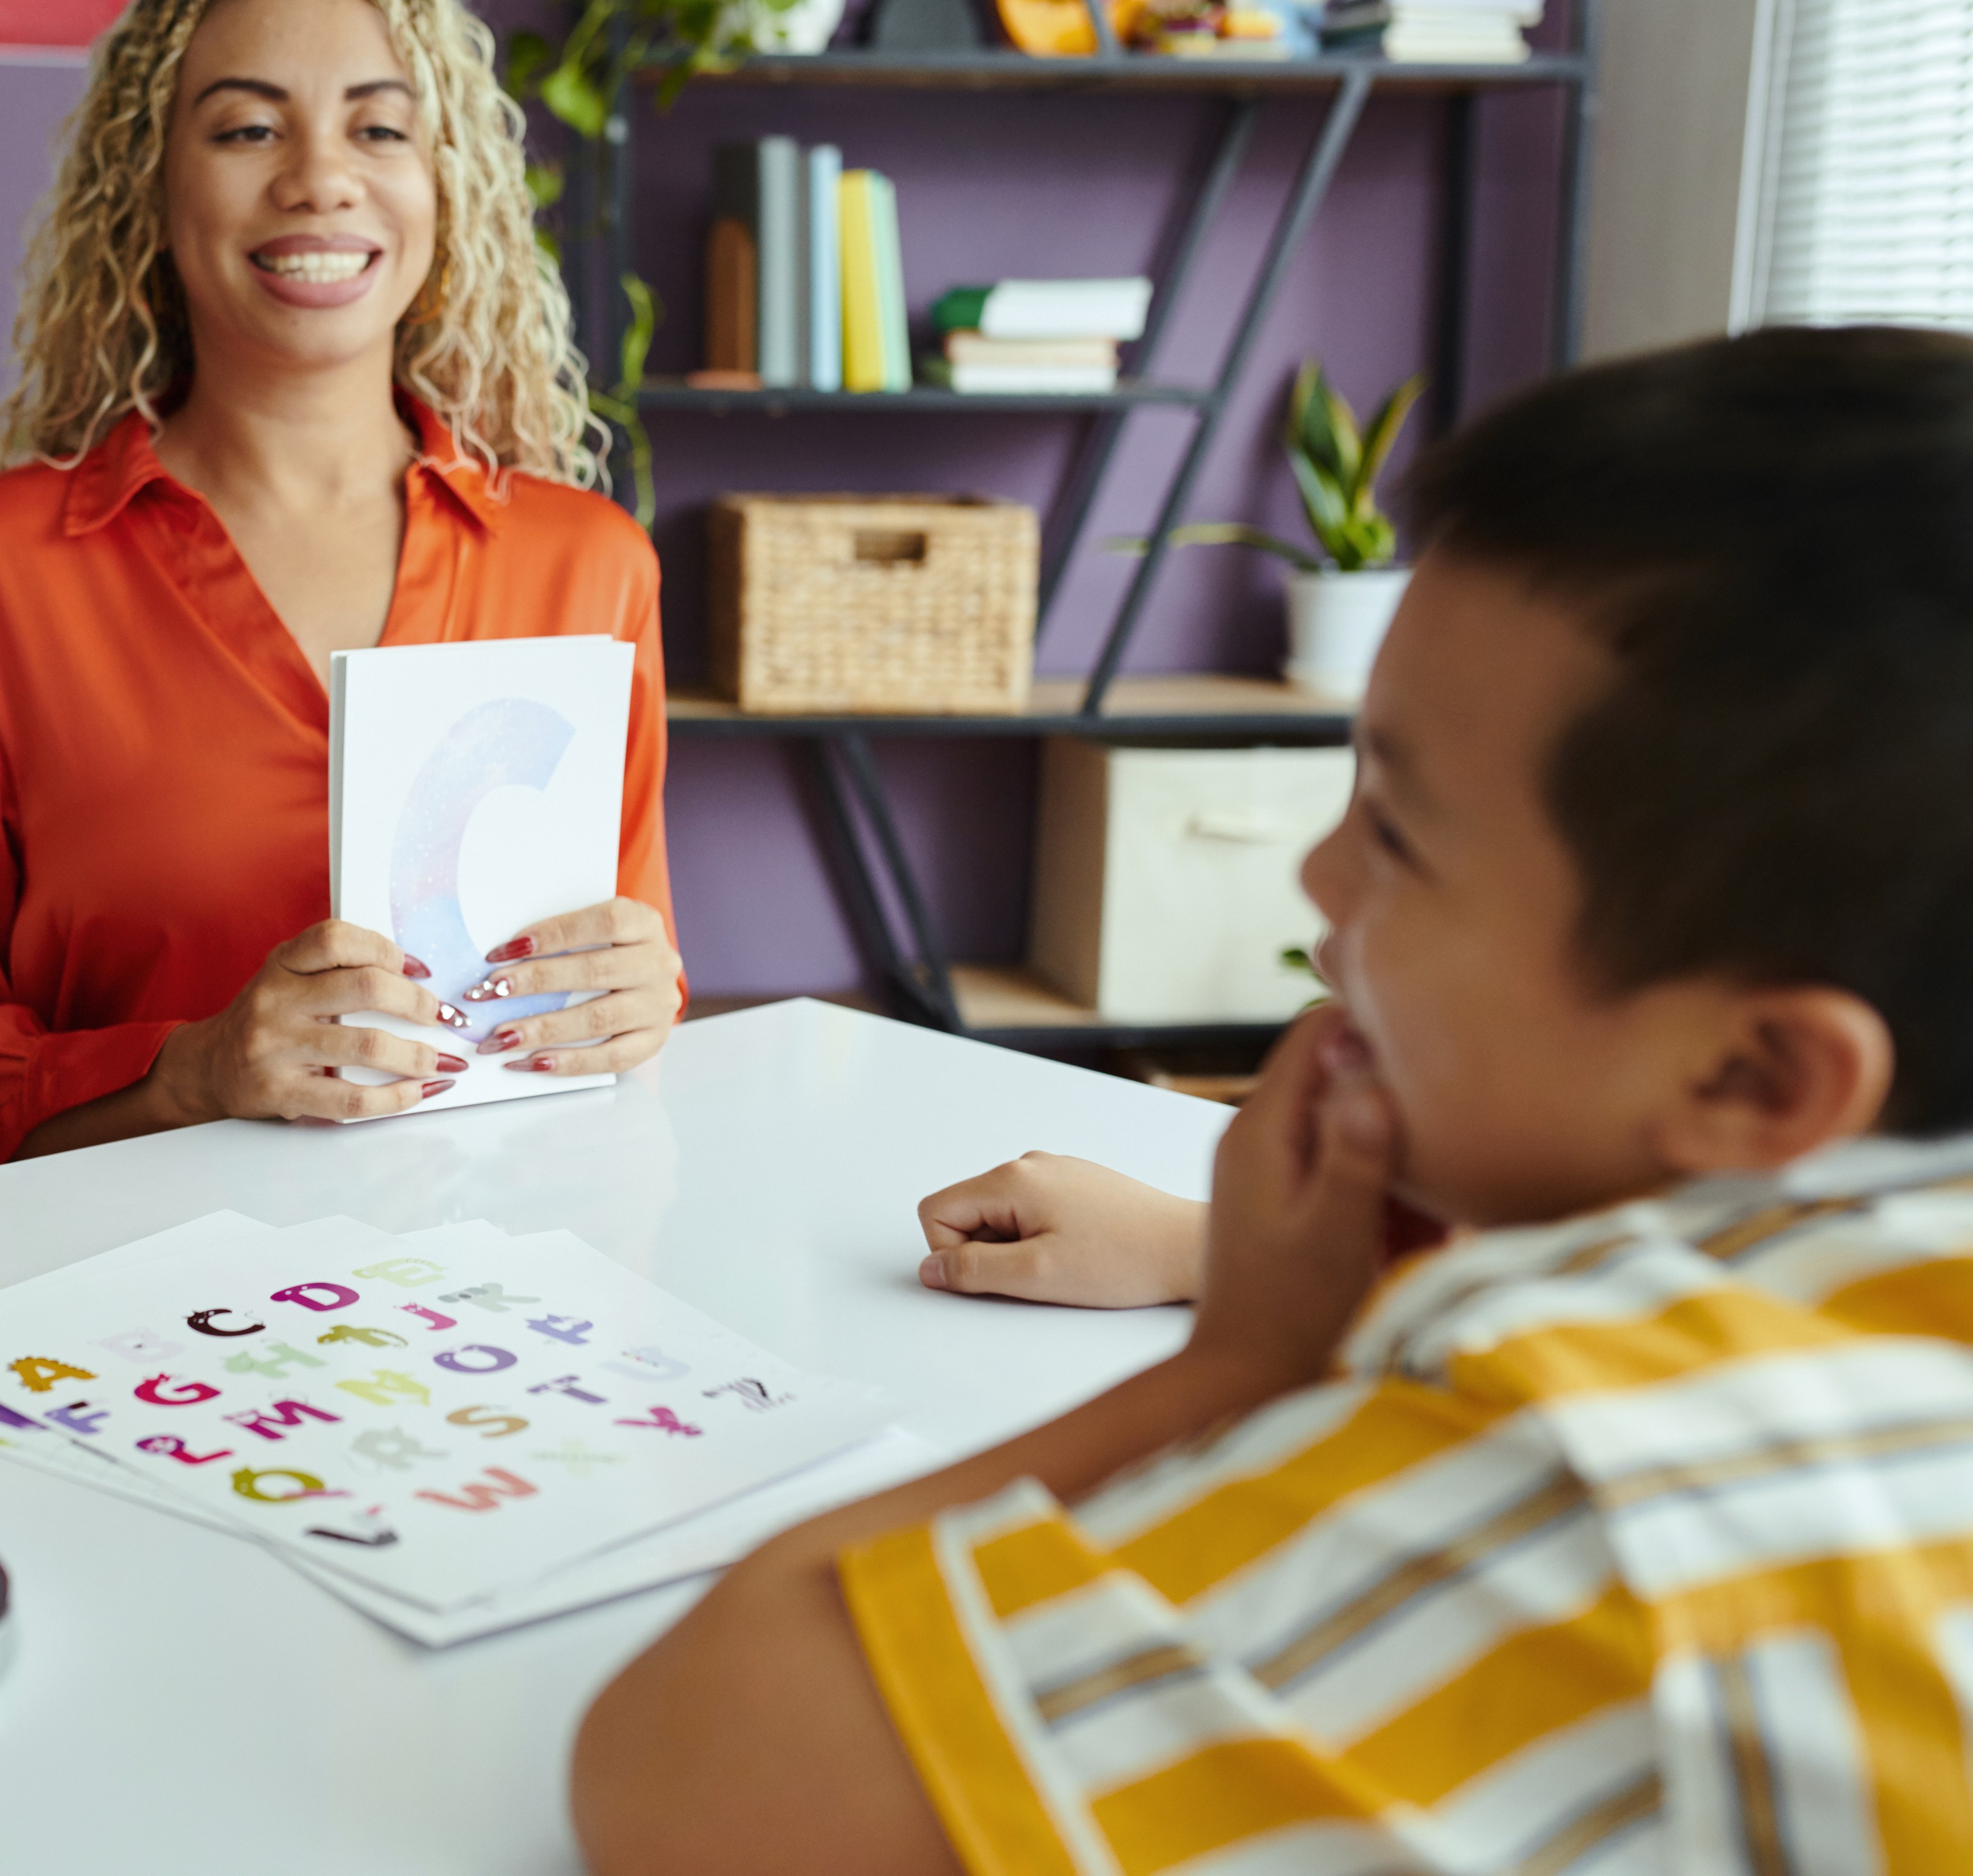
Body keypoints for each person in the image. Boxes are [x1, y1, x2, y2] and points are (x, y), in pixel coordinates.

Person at [571, 326, 1973, 1875]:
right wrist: (1206, 1248)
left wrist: (1239, 1357)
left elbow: (691, 1775)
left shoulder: (1585, 1462)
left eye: (1399, 831)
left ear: (1750, 1076)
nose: (1319, 878)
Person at [0, 0, 681, 1180]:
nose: (320, 178)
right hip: (105, 1309)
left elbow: (626, 967)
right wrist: (194, 1071)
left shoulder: (589, 564)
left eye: (379, 128)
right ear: (152, 189)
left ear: (447, 183)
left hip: (504, 1296)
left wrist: (636, 995)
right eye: (246, 128)